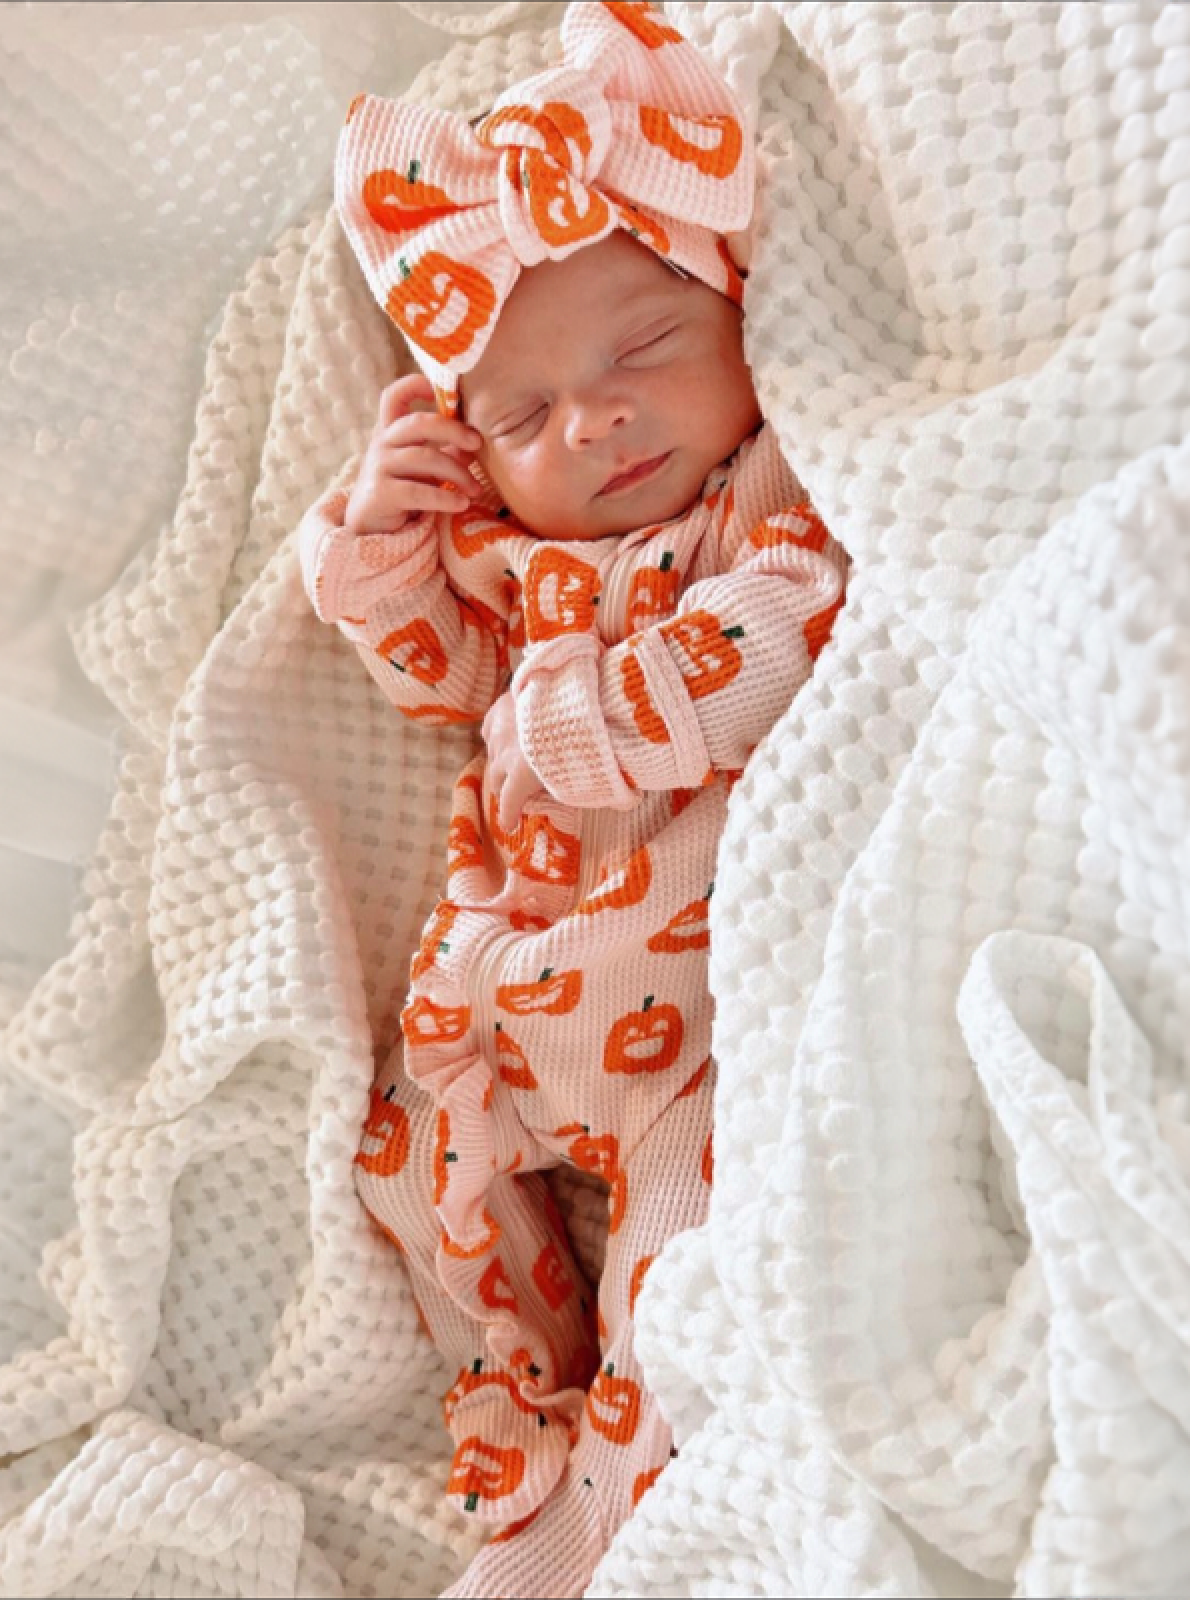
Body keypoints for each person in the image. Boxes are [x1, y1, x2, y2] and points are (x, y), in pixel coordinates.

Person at [299, 4, 847, 1594]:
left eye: (642, 352)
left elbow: (779, 635)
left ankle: (617, 1489)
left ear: (736, 313)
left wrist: (597, 708)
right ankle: (515, 1410)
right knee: (412, 1176)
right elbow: (437, 684)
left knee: (676, 1256)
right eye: (522, 417)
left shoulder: (767, 502)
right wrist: (383, 555)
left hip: (688, 1025)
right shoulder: (515, 559)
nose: (591, 421)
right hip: (489, 999)